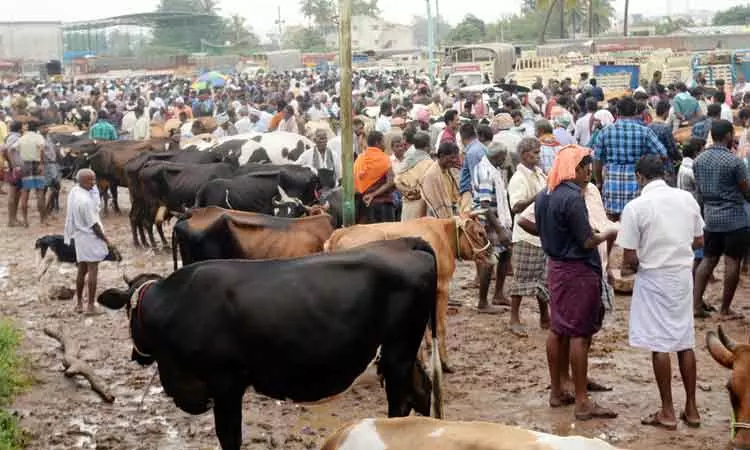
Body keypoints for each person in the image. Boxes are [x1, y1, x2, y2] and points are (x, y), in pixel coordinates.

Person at [616, 155, 703, 431]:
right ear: (664, 174)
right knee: (684, 340)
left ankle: (667, 410)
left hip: (653, 276)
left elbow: (629, 256)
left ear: (639, 177)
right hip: (681, 274)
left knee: (660, 344)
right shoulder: (686, 199)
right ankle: (692, 408)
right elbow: (700, 239)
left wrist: (644, 261)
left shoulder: (636, 207)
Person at [533, 145, 618, 421]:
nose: (590, 172)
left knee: (558, 329)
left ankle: (557, 390)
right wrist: (608, 232)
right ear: (577, 168)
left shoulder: (544, 195)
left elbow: (539, 226)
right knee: (580, 334)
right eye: (586, 166)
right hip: (578, 271)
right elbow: (586, 241)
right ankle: (582, 401)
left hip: (556, 267)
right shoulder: (573, 198)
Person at [693, 119, 750, 319]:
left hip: (710, 217)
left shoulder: (699, 160)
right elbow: (746, 192)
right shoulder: (734, 162)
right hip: (734, 219)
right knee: (732, 262)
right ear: (727, 135)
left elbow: (699, 192)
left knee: (707, 260)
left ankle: (696, 305)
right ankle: (725, 310)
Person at [593, 96, 667, 220]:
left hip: (612, 185)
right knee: (637, 223)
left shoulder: (605, 132)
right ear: (635, 112)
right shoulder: (645, 132)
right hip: (637, 183)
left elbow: (596, 161)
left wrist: (599, 182)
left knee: (613, 225)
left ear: (617, 112)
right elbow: (663, 154)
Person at [506, 137, 549, 336]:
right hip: (525, 234)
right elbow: (515, 206)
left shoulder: (539, 173)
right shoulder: (518, 178)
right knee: (521, 278)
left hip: (541, 231)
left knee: (543, 277)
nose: (538, 156)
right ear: (524, 155)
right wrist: (539, 196)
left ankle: (544, 316)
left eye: (539, 152)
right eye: (535, 152)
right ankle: (514, 318)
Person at [64, 169, 115, 315]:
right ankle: (91, 306)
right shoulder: (85, 201)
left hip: (80, 237)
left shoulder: (75, 192)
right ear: (81, 181)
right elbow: (94, 226)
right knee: (93, 271)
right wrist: (107, 240)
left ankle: (79, 303)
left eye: (94, 179)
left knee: (81, 269)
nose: (93, 183)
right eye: (90, 181)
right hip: (90, 237)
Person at [472, 140, 513, 311]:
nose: (505, 160)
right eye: (504, 157)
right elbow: (485, 206)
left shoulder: (492, 168)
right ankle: (483, 302)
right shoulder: (487, 172)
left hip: (497, 219)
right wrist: (500, 230)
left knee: (505, 254)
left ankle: (498, 294)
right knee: (488, 262)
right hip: (488, 223)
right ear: (498, 157)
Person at [353, 131, 396, 223]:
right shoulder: (384, 158)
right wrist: (373, 195)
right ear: (377, 143)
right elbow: (390, 182)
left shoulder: (360, 158)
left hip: (363, 205)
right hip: (382, 205)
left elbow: (356, 182)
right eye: (383, 142)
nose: (384, 144)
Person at [395, 132, 433, 221]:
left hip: (407, 206)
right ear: (428, 146)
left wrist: (408, 191)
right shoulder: (430, 164)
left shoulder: (406, 161)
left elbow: (397, 182)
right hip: (422, 208)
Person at [17, 121, 47, 227]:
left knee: (25, 193)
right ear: (36, 129)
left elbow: (14, 149)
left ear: (28, 128)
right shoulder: (38, 137)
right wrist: (42, 164)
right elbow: (42, 149)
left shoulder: (22, 138)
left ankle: (25, 221)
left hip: (25, 165)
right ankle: (42, 220)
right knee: (40, 193)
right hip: (37, 164)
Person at [421, 141, 461, 218]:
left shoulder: (451, 171)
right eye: (452, 157)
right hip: (436, 216)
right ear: (442, 156)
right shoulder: (431, 175)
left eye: (456, 158)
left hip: (452, 213)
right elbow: (434, 203)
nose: (455, 160)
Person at [649, 100, 680, 185]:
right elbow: (672, 149)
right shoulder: (665, 128)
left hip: (651, 164)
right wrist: (679, 158)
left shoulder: (648, 126)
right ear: (666, 112)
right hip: (666, 164)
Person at [458, 123, 487, 213]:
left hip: (471, 196)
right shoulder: (481, 147)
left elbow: (476, 180)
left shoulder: (472, 152)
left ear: (462, 138)